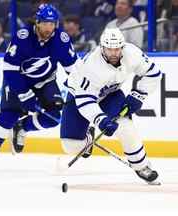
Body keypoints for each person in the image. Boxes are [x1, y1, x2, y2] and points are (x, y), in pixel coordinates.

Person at [0, 4, 78, 170]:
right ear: (37, 22)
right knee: (8, 116)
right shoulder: (23, 37)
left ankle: (22, 127)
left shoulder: (61, 40)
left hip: (45, 82)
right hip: (19, 80)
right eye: (45, 23)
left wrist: (82, 91)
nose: (49, 27)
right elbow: (10, 69)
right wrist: (24, 94)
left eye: (52, 23)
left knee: (53, 116)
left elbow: (74, 70)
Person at [60, 28, 162, 183]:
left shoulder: (132, 53)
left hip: (110, 95)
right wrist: (100, 120)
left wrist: (138, 95)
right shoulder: (90, 66)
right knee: (70, 146)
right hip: (78, 97)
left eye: (117, 49)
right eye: (109, 49)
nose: (114, 53)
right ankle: (88, 139)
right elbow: (85, 99)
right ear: (102, 48)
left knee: (125, 126)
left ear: (123, 46)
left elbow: (153, 73)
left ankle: (142, 166)